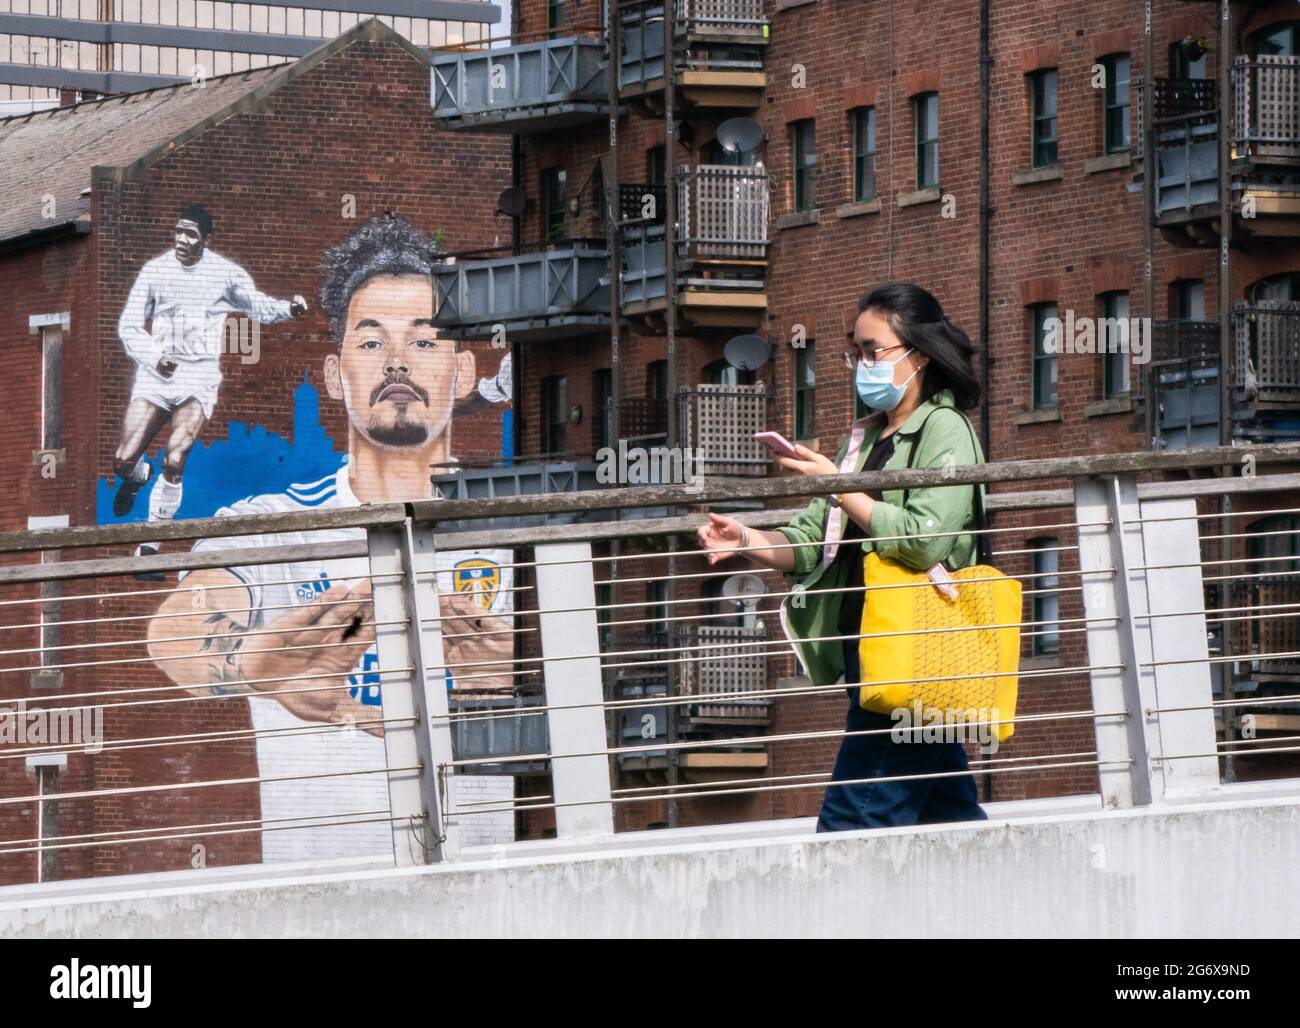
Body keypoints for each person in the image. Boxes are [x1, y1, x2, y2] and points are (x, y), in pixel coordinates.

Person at [144, 215, 514, 861]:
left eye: (425, 342)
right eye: (371, 343)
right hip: (320, 895)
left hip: (504, 885)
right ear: (334, 375)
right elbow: (177, 632)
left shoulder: (522, 529)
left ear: (461, 373)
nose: (398, 360)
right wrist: (256, 666)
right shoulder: (269, 523)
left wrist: (521, 678)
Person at [697, 283, 989, 831]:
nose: (862, 364)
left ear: (919, 354)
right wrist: (746, 540)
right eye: (856, 351)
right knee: (947, 812)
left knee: (850, 823)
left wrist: (839, 482)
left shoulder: (944, 430)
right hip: (873, 642)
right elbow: (814, 539)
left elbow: (925, 538)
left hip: (915, 644)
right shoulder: (866, 437)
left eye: (873, 350)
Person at [113, 203, 308, 530]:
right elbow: (129, 325)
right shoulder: (155, 271)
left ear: (206, 240)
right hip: (155, 376)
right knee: (122, 460)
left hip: (197, 376)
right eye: (178, 232)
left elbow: (257, 306)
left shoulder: (224, 275)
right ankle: (136, 477)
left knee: (175, 458)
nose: (181, 239)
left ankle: (151, 540)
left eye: (190, 234)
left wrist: (290, 309)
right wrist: (154, 358)